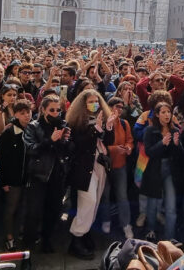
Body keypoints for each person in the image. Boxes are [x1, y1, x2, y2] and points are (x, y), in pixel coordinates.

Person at [66, 89, 114, 259]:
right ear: (83, 104)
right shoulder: (77, 121)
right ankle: (76, 238)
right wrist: (95, 129)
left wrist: (107, 128)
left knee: (95, 202)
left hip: (99, 165)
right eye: (90, 101)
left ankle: (84, 233)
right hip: (84, 168)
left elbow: (108, 141)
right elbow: (78, 144)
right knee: (88, 201)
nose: (94, 104)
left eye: (97, 101)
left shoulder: (103, 117)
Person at [22, 95, 72, 253]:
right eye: (52, 110)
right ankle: (28, 245)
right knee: (33, 212)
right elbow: (30, 149)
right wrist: (50, 141)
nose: (56, 113)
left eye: (58, 110)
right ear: (43, 110)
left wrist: (66, 141)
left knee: (54, 210)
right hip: (39, 174)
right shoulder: (34, 126)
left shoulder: (63, 125)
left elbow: (68, 150)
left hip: (57, 175)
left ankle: (47, 239)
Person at [142, 101, 184, 245]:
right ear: (157, 115)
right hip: (155, 170)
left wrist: (177, 145)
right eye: (164, 112)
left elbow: (180, 155)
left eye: (169, 112)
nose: (167, 115)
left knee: (171, 206)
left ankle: (169, 237)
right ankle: (151, 230)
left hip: (170, 170)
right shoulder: (150, 130)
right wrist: (162, 144)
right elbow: (149, 152)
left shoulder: (175, 130)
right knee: (153, 203)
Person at [0, 99, 31, 251]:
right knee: (11, 208)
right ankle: (9, 237)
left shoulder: (32, 129)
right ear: (15, 114)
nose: (26, 116)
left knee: (24, 207)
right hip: (13, 179)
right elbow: (1, 158)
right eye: (22, 113)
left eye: (28, 112)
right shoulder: (9, 132)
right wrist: (3, 181)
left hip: (28, 178)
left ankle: (22, 231)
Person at [100, 97, 134, 239]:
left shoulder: (125, 123)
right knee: (105, 196)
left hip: (120, 165)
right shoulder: (102, 123)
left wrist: (128, 148)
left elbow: (130, 140)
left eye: (121, 107)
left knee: (122, 196)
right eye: (117, 106)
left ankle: (126, 224)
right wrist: (115, 149)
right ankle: (106, 219)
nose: (120, 109)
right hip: (105, 166)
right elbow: (100, 145)